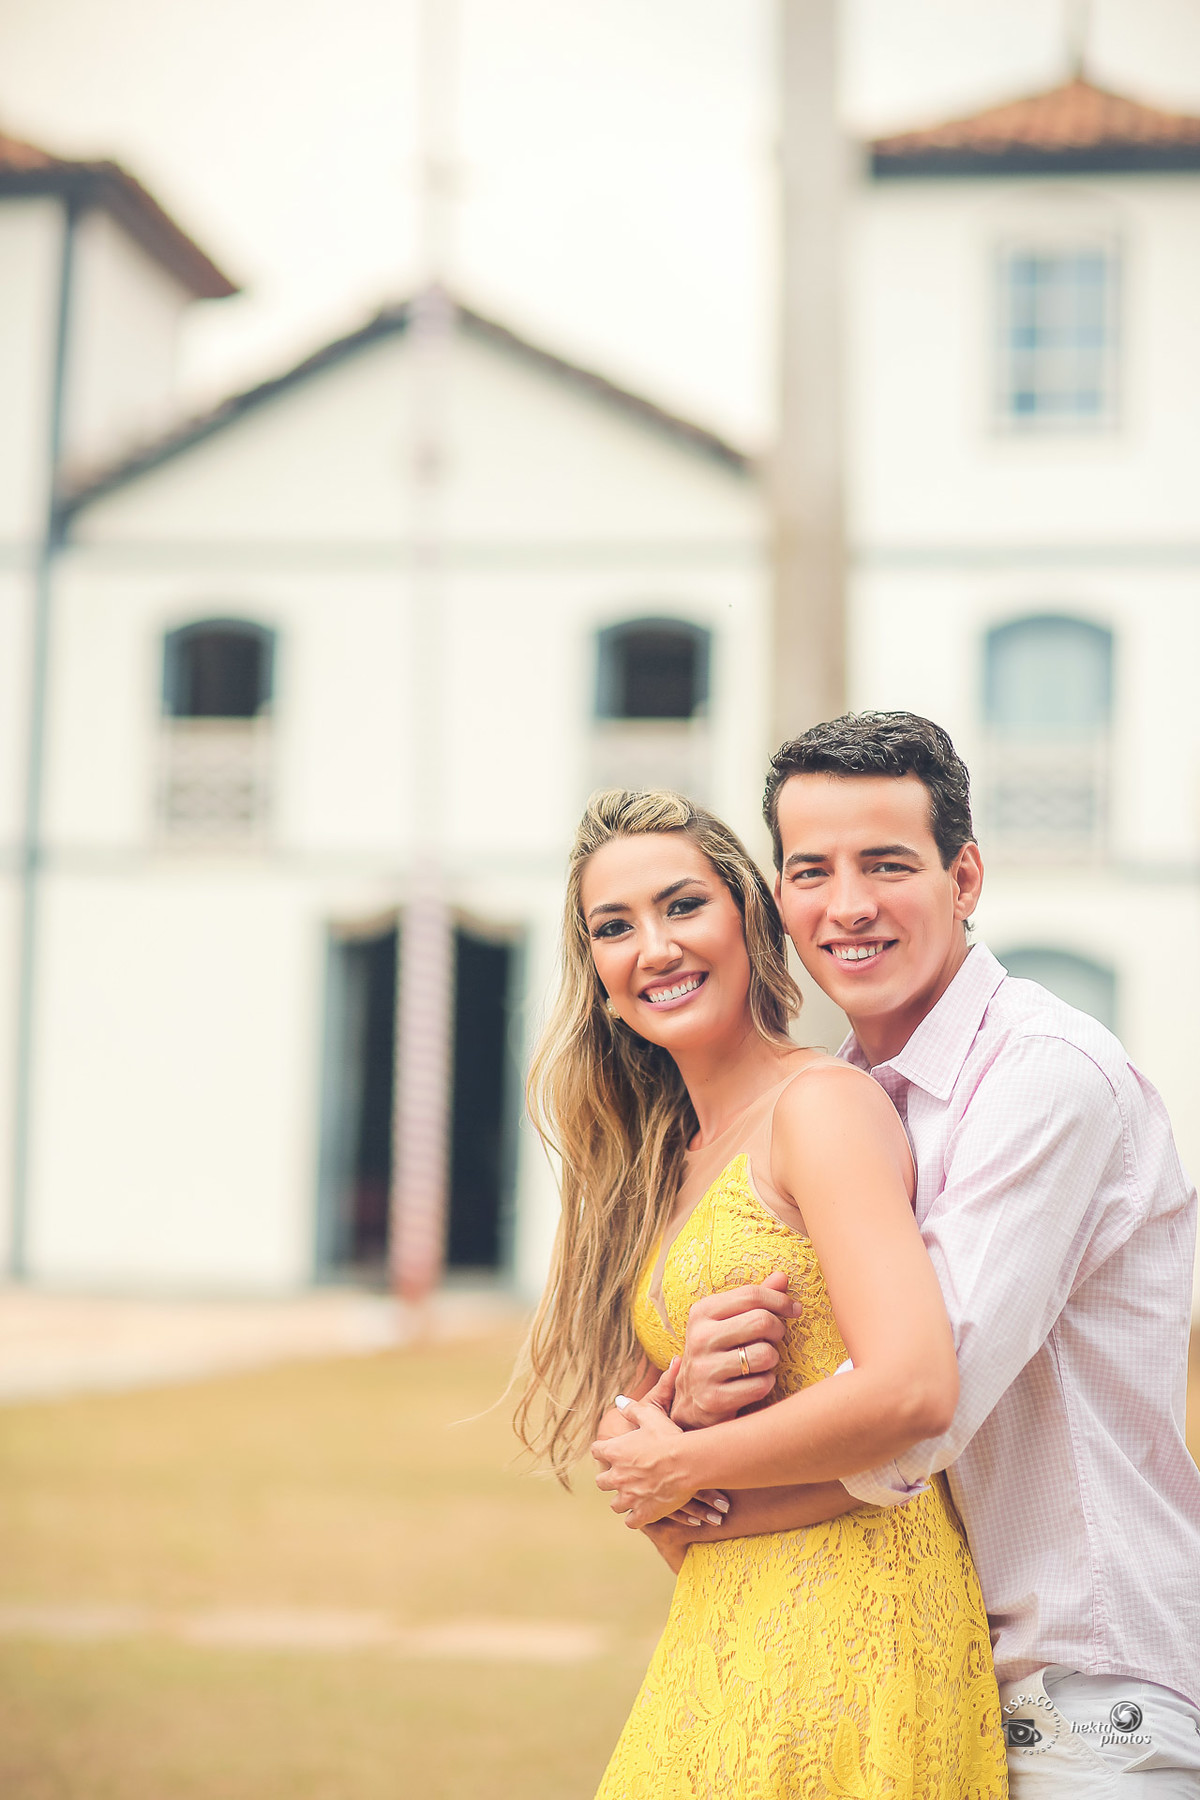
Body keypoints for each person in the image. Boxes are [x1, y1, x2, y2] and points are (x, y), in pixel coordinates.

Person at [596, 712, 1200, 1799]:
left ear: (964, 875)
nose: (849, 905)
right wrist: (692, 1399)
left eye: (888, 864)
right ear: (778, 898)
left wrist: (679, 1475)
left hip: (1082, 1697)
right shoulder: (846, 1097)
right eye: (812, 870)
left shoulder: (1043, 1076)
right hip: (938, 1671)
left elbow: (917, 1415)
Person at [516, 786, 1007, 1800]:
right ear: (600, 980)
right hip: (717, 1630)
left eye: (681, 906)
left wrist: (684, 1455)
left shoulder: (820, 1108)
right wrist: (681, 1414)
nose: (653, 946)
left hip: (862, 1629)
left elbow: (916, 1388)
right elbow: (649, 1501)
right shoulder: (647, 1171)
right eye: (615, 927)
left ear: (749, 917)